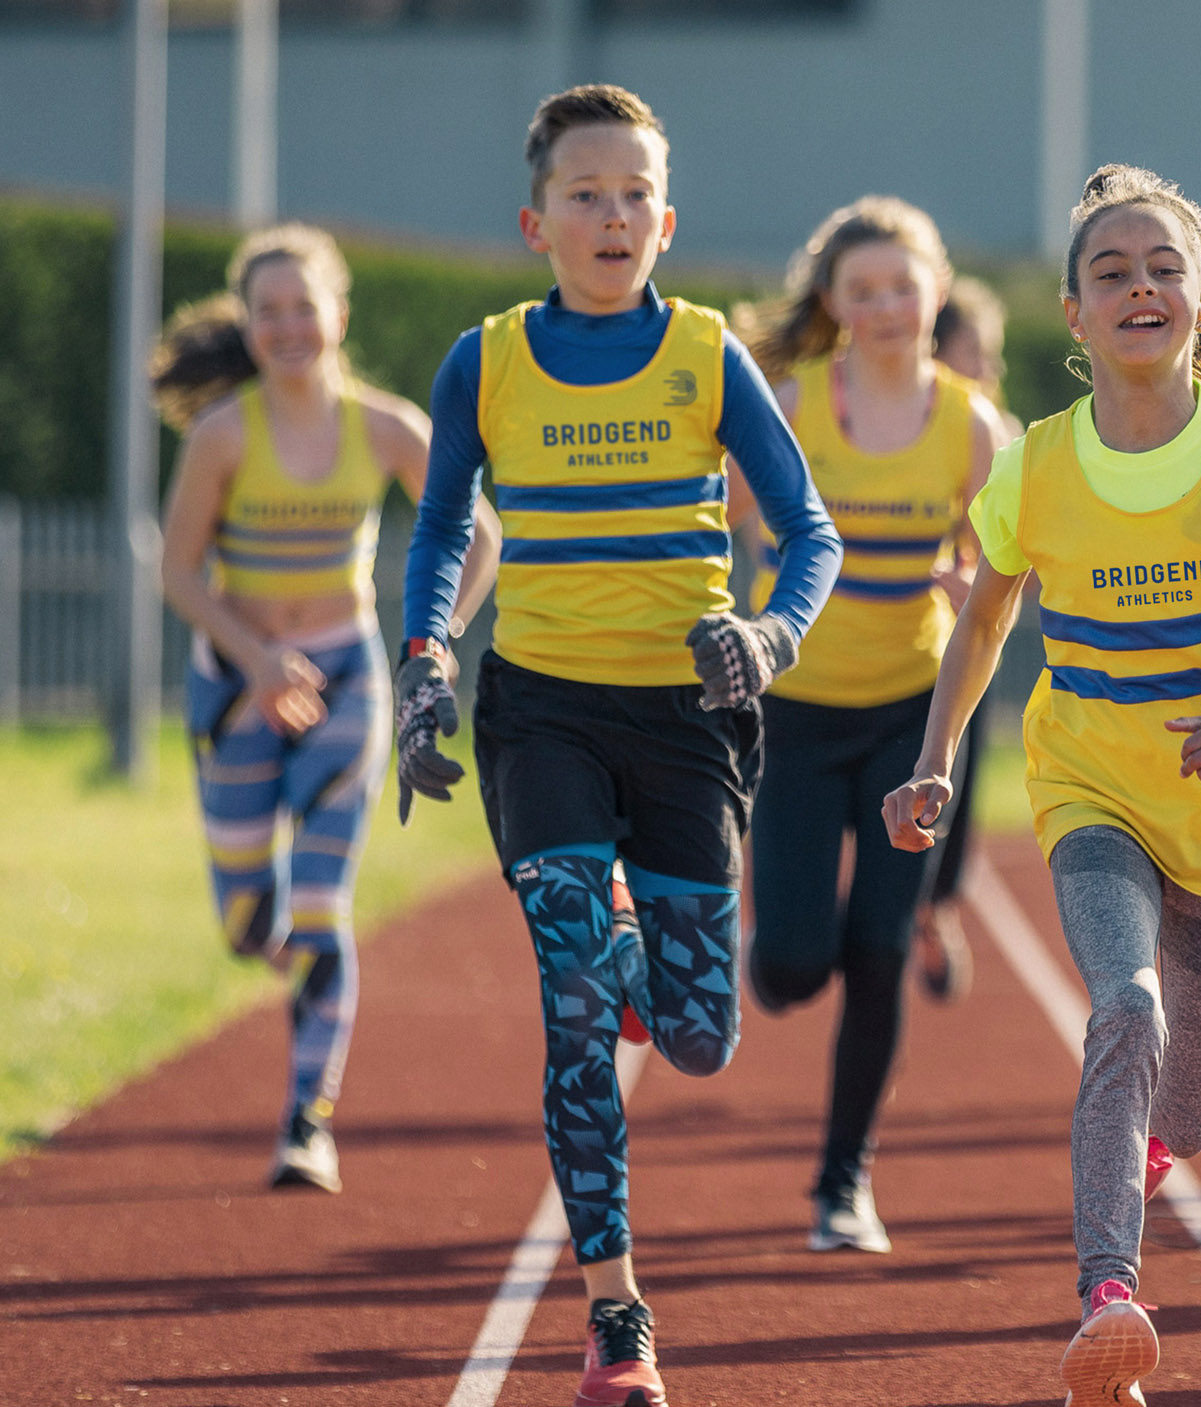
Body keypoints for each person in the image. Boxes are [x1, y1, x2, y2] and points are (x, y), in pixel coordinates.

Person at [397, 84, 842, 1407]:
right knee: (577, 1009)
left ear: (667, 220)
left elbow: (810, 531)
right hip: (540, 711)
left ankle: (643, 950)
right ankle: (615, 1314)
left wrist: (768, 639)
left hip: (690, 716)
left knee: (699, 1033)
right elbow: (437, 529)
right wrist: (426, 657)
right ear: (538, 222)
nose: (612, 214)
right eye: (585, 194)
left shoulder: (709, 354)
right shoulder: (485, 359)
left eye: (635, 193)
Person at [883, 164, 1201, 1407]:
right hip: (1090, 786)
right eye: (1111, 271)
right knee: (1124, 1010)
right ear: (1073, 312)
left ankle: (1126, 1163)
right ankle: (1108, 1295)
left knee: (1186, 1120)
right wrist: (932, 763)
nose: (1138, 286)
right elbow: (980, 626)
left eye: (1161, 269)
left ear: (1199, 297)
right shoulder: (1034, 465)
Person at [154, 224, 499, 1196]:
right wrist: (257, 658)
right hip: (237, 689)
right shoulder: (226, 434)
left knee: (320, 902)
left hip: (347, 681)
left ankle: (308, 1122)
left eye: (306, 307)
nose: (289, 326)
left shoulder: (384, 427)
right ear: (248, 324)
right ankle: (277, 944)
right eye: (269, 311)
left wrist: (435, 638)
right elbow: (178, 570)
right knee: (243, 921)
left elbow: (480, 534)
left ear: (339, 315)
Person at [734, 197, 1012, 1254]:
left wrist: (970, 575)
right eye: (864, 290)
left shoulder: (971, 424)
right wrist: (740, 618)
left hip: (911, 712)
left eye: (905, 286)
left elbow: (1004, 577)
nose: (888, 306)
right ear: (832, 304)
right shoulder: (790, 406)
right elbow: (713, 531)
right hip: (797, 713)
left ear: (936, 291)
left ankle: (842, 1182)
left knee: (884, 947)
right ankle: (770, 951)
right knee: (801, 965)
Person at [912, 274, 1025, 1003]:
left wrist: (978, 585)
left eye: (993, 355)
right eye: (973, 352)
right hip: (890, 650)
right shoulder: (906, 422)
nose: (987, 370)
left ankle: (934, 906)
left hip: (967, 650)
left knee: (958, 795)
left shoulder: (1008, 436)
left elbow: (1031, 567)